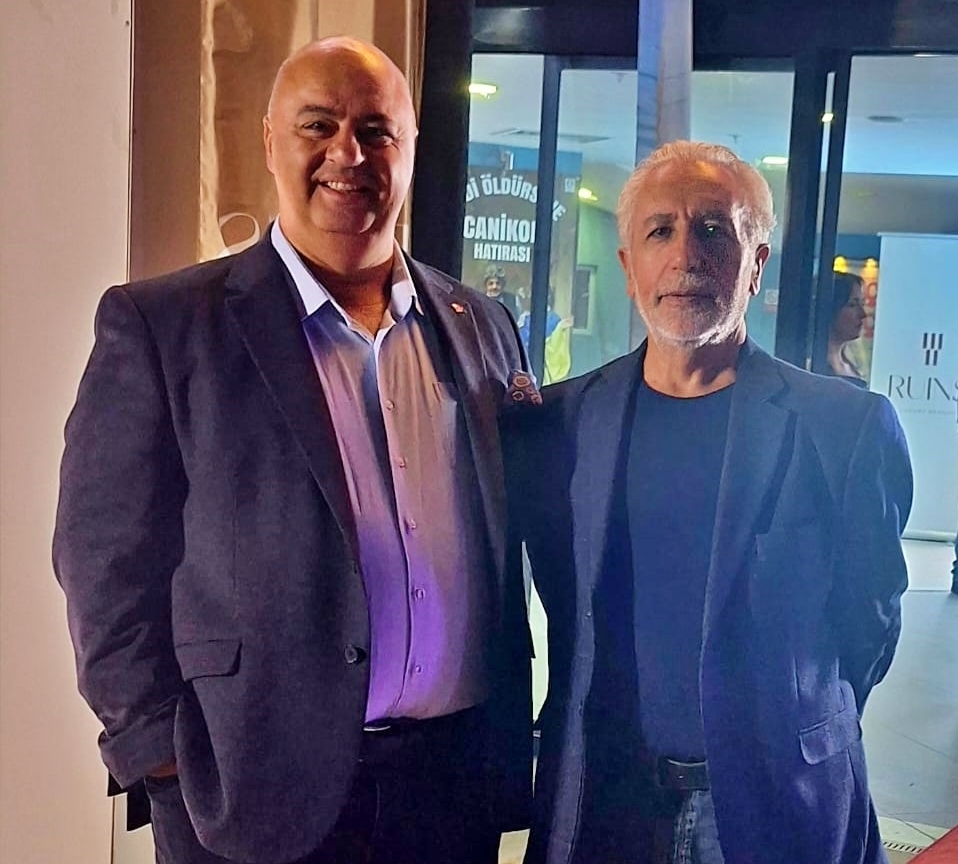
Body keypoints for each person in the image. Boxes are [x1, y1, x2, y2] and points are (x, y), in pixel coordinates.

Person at [53, 37, 532, 864]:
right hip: (252, 800)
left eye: (376, 130)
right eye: (319, 125)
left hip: (449, 795)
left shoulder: (479, 326)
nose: (349, 153)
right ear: (271, 141)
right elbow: (102, 561)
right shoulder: (167, 327)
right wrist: (159, 755)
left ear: (411, 147)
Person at [508, 141, 913, 864]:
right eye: (660, 230)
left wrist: (795, 719)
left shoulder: (845, 429)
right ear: (629, 267)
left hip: (775, 804)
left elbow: (870, 623)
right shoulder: (561, 424)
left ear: (756, 265)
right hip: (604, 802)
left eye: (714, 230)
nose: (685, 255)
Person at [819, 270, 868, 387]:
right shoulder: (814, 366)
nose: (863, 314)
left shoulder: (852, 364)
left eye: (862, 304)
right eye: (852, 305)